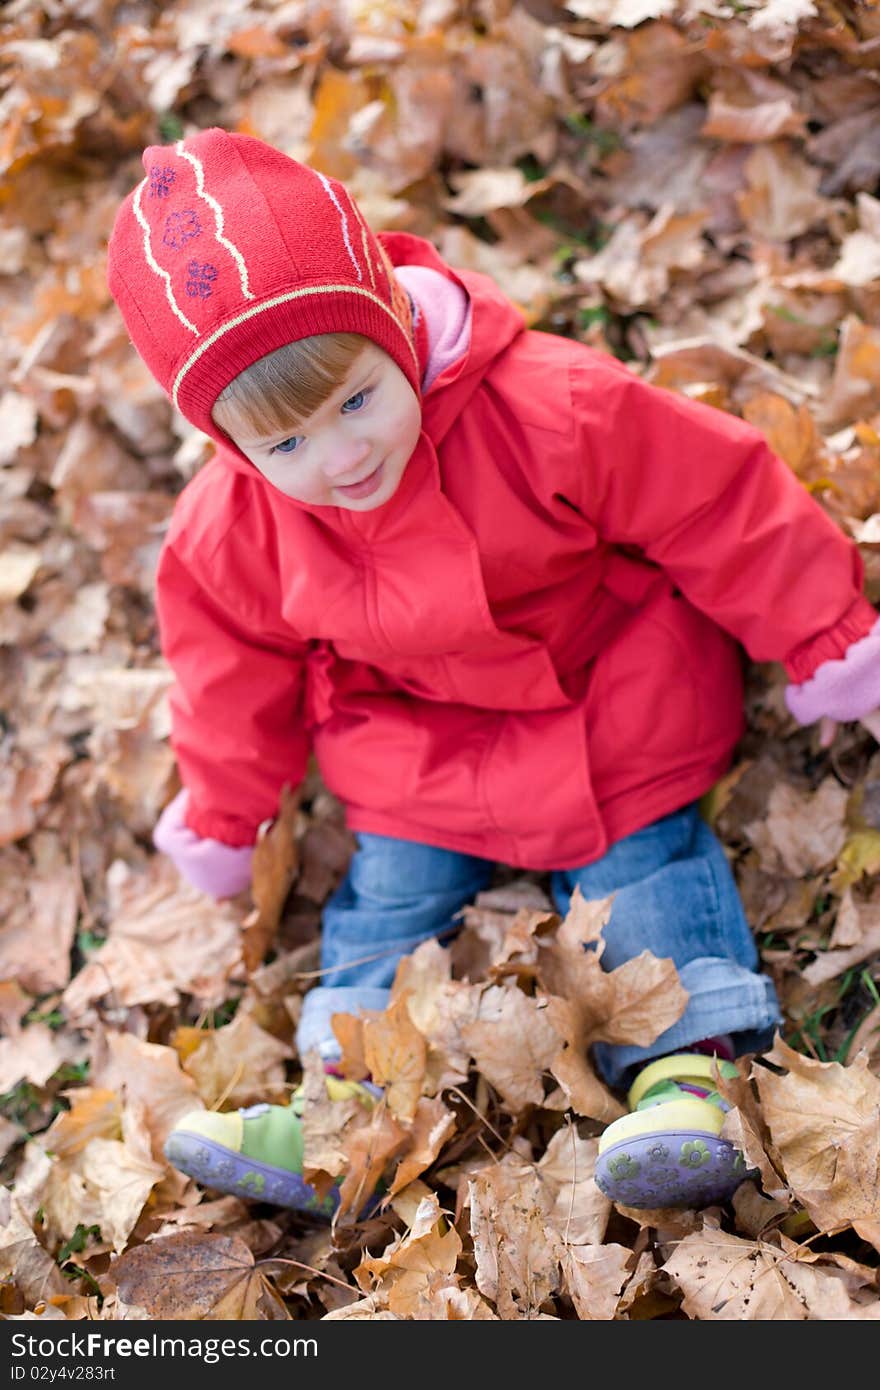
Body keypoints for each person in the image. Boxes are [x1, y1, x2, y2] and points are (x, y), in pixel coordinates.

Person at [106, 127, 880, 1214]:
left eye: (357, 401)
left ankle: (684, 1082)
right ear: (232, 448)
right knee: (384, 913)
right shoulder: (228, 529)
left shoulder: (546, 407)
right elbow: (224, 674)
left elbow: (712, 498)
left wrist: (823, 630)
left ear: (391, 325)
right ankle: (338, 1121)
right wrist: (227, 815)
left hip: (603, 697)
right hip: (412, 744)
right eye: (285, 447)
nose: (340, 458)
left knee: (644, 873)